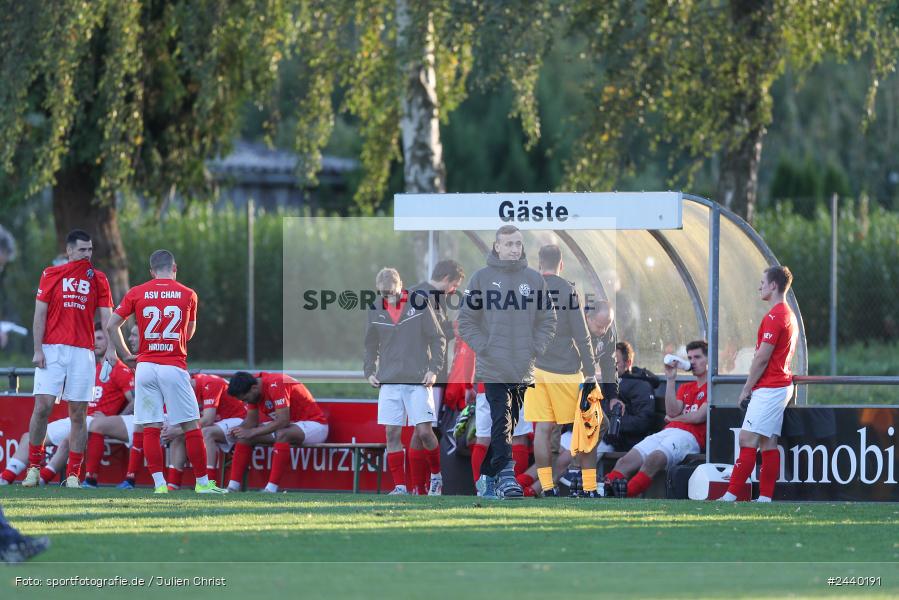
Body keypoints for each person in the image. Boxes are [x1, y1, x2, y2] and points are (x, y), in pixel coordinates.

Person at [104, 249, 224, 494]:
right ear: (175, 268)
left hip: (145, 367)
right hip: (173, 365)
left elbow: (111, 324)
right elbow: (188, 334)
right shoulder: (188, 294)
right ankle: (203, 484)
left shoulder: (137, 292)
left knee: (150, 427)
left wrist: (126, 355)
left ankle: (159, 485)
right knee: (191, 427)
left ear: (151, 271)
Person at [457, 225, 556, 499]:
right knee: (501, 420)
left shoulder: (535, 280)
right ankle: (508, 479)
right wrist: (484, 346)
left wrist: (536, 347)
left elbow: (548, 320)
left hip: (524, 367)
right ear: (497, 246)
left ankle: (488, 480)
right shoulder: (481, 278)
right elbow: (466, 320)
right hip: (494, 366)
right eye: (509, 244)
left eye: (518, 244)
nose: (514, 248)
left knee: (513, 424)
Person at [24, 230, 113, 488]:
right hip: (52, 349)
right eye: (82, 250)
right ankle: (33, 468)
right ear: (69, 252)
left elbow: (107, 316)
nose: (88, 254)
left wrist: (110, 349)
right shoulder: (51, 274)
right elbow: (39, 314)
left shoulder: (99, 278)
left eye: (91, 249)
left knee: (78, 414)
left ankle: (73, 475)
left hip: (82, 352)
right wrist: (37, 349)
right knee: (42, 407)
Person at [524, 244, 599, 497]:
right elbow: (582, 335)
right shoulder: (568, 290)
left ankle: (547, 487)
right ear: (562, 264)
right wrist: (590, 371)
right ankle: (589, 488)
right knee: (587, 427)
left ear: (538, 263)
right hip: (565, 370)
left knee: (543, 431)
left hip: (535, 371)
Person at [364, 268, 446, 495]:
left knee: (424, 433)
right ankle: (400, 486)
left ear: (401, 286)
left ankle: (437, 477)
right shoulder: (375, 308)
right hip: (389, 381)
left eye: (391, 292)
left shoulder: (419, 303)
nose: (387, 297)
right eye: (383, 293)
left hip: (418, 380)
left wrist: (434, 369)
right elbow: (370, 343)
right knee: (391, 433)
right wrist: (369, 370)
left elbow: (438, 338)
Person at [720, 266, 798, 503]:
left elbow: (762, 357)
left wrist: (746, 388)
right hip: (778, 386)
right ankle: (764, 498)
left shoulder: (776, 316)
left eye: (762, 282)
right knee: (767, 442)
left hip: (771, 387)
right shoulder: (788, 314)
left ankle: (730, 495)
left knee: (746, 439)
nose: (759, 286)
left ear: (773, 285)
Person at [605, 340, 708, 498]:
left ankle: (625, 495)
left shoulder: (712, 388)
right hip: (669, 431)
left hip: (689, 437)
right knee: (625, 461)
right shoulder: (686, 387)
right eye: (690, 358)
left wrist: (676, 418)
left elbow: (699, 416)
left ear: (709, 360)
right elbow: (671, 411)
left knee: (654, 459)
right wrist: (671, 379)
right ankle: (603, 492)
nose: (693, 362)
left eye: (697, 357)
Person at [408, 259, 464, 495]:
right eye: (455, 285)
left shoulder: (413, 292)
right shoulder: (428, 296)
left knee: (418, 430)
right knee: (425, 430)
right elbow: (435, 335)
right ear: (447, 279)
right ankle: (431, 482)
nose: (453, 291)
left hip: (412, 373)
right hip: (430, 375)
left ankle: (416, 488)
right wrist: (459, 328)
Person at [224, 372, 329, 493]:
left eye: (246, 399)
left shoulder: (276, 383)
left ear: (254, 388)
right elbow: (251, 422)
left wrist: (252, 432)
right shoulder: (253, 386)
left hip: (315, 425)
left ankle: (271, 489)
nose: (246, 402)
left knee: (282, 434)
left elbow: (283, 420)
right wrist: (238, 430)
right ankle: (232, 487)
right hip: (290, 426)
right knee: (244, 437)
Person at [164, 373, 247, 490]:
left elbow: (208, 420)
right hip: (218, 422)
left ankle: (210, 484)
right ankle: (173, 485)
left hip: (238, 419)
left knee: (206, 432)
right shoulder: (182, 392)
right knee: (177, 435)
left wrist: (177, 430)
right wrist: (169, 430)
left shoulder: (209, 383)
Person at [86, 325, 145, 489]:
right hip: (90, 420)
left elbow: (136, 400)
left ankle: (90, 480)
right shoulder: (93, 368)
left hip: (151, 418)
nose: (129, 340)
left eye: (134, 336)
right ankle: (48, 476)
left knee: (94, 425)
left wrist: (112, 418)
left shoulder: (122, 368)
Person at [599, 342, 656, 455]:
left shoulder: (641, 386)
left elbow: (642, 422)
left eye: (615, 362)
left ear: (628, 363)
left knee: (571, 456)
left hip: (615, 441)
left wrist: (610, 425)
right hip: (592, 433)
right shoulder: (606, 384)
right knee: (555, 449)